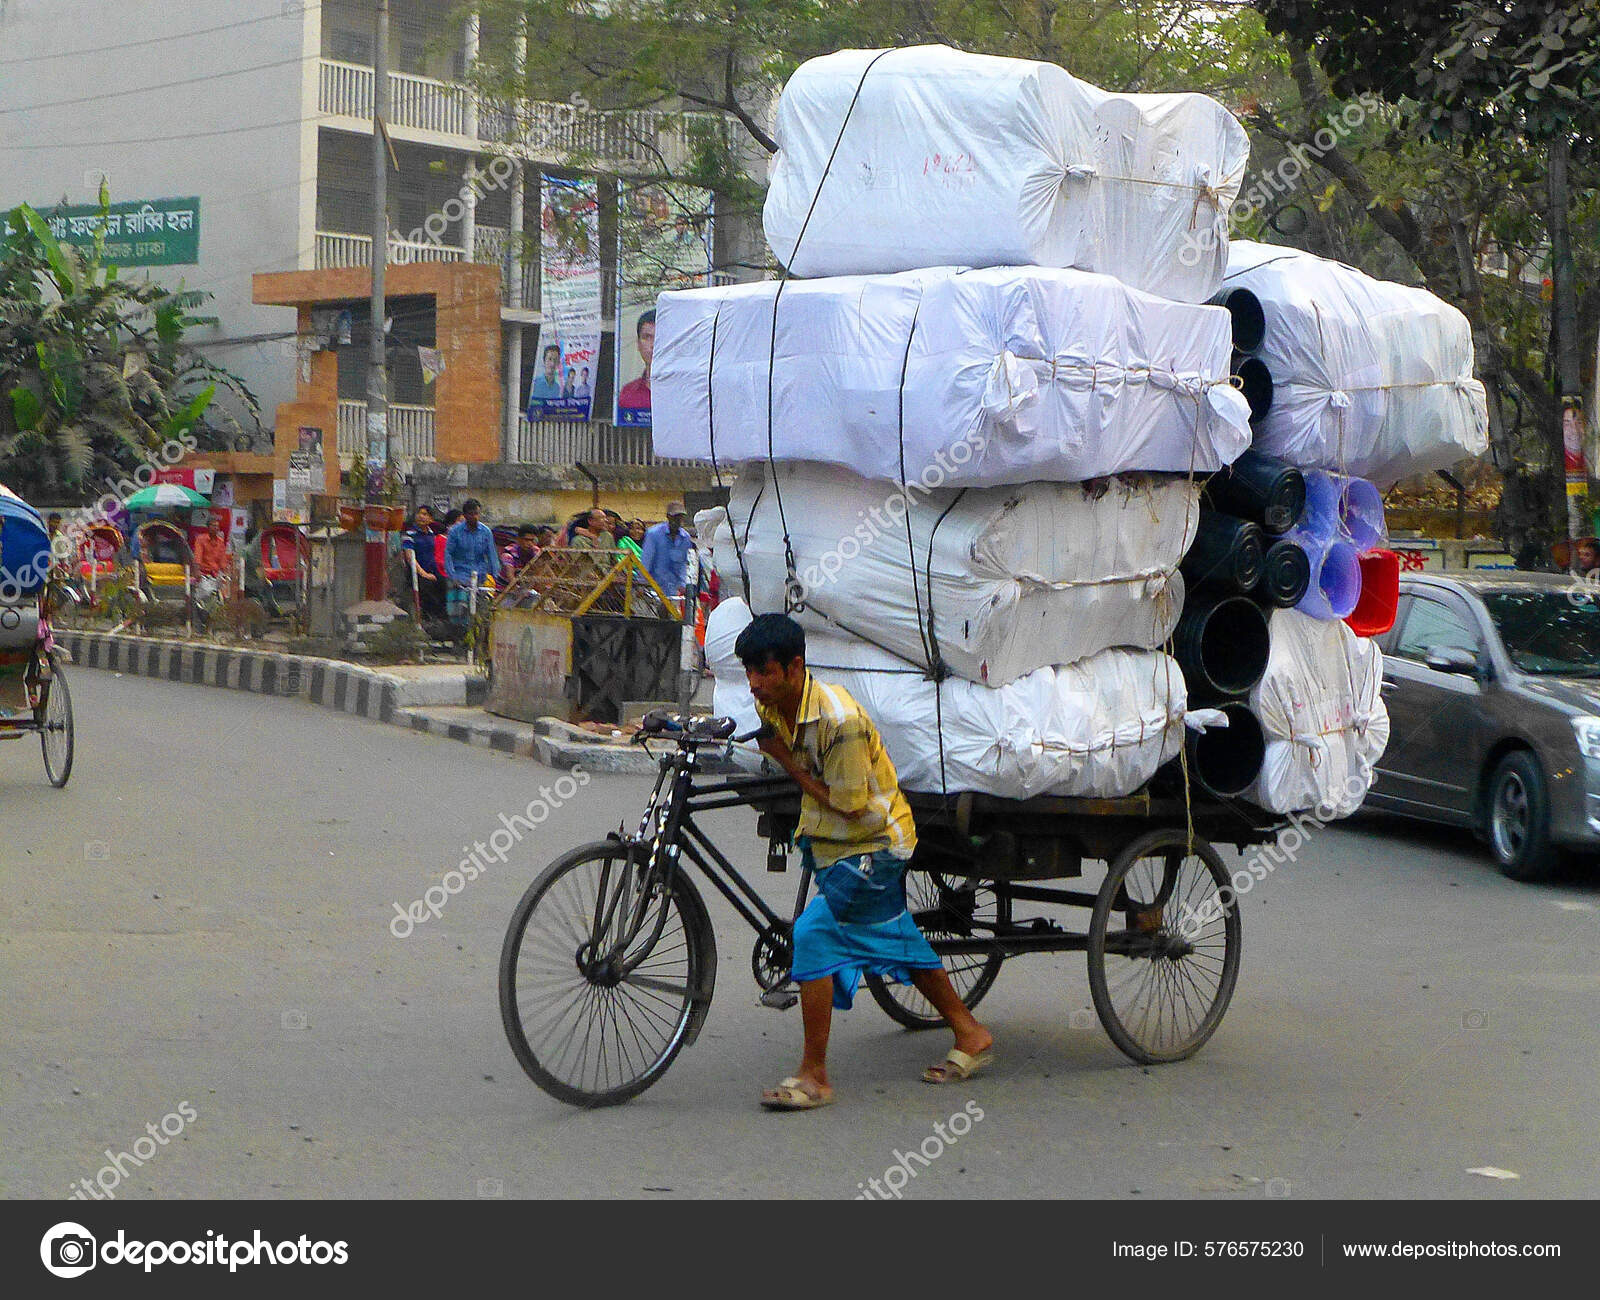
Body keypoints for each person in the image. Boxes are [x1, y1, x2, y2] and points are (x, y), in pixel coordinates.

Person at [735, 613, 993, 1110]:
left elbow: (850, 805)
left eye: (763, 672)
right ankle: (969, 1031)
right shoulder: (774, 707)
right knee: (895, 938)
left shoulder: (840, 721)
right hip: (837, 847)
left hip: (874, 844)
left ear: (794, 667)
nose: (754, 684)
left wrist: (786, 763)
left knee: (812, 935)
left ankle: (814, 1075)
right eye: (748, 672)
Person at [443, 498, 502, 590]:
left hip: (481, 577)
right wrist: (452, 576)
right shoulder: (455, 532)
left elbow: (492, 555)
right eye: (471, 514)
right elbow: (448, 554)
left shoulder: (486, 532)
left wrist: (494, 577)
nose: (474, 517)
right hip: (460, 576)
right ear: (465, 515)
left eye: (476, 513)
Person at [641, 501, 695, 599]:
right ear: (668, 517)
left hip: (674, 591)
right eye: (674, 517)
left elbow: (683, 564)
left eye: (680, 518)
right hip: (653, 589)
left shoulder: (685, 538)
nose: (677, 521)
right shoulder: (653, 534)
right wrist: (641, 585)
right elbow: (646, 561)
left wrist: (683, 585)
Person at [400, 506, 445, 621]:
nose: (421, 516)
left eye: (425, 514)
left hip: (432, 571)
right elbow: (410, 557)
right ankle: (427, 619)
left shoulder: (432, 535)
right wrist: (423, 573)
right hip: (417, 574)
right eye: (419, 513)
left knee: (446, 585)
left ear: (431, 519)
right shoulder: (409, 534)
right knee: (428, 589)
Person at [616, 309, 655, 415]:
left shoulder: (684, 392)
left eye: (659, 337)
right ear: (638, 344)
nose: (653, 345)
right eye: (647, 337)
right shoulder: (628, 393)